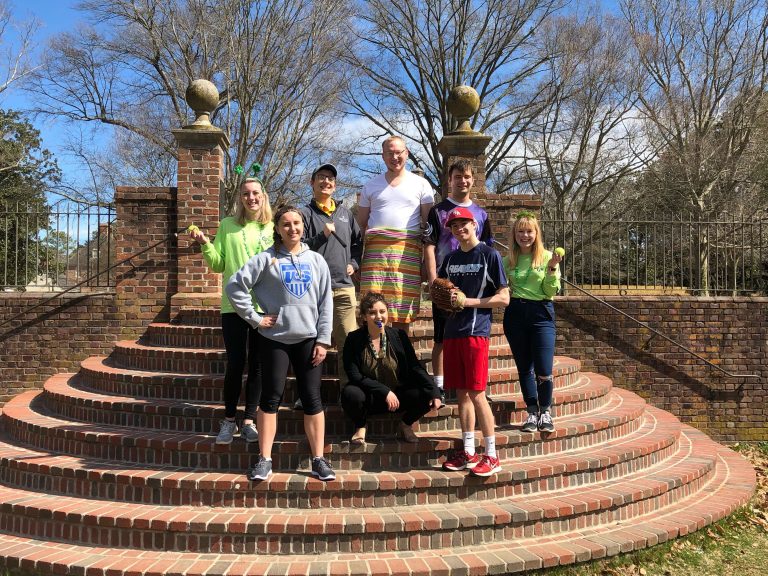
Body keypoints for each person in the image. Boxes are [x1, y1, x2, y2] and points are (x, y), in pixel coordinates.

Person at [226, 205, 335, 482]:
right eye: (285, 224)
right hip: (274, 340)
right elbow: (235, 286)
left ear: (303, 226)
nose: (292, 228)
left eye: (297, 223)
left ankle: (318, 459)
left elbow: (326, 302)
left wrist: (323, 339)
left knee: (312, 399)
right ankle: (264, 459)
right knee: (270, 399)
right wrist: (254, 318)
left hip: (308, 339)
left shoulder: (316, 261)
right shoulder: (266, 259)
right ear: (277, 229)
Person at [189, 176, 273, 445]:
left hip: (264, 307)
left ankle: (249, 421)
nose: (251, 198)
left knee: (258, 367)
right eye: (246, 193)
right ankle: (228, 421)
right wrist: (205, 242)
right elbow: (218, 264)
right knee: (236, 364)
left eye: (255, 193)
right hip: (233, 307)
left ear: (263, 196)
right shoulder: (227, 225)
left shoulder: (272, 227)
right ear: (240, 198)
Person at [438, 206, 509, 477]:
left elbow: (504, 297)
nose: (459, 229)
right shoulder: (451, 258)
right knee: (461, 393)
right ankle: (468, 450)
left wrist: (469, 301)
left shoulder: (489, 255)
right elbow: (444, 293)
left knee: (477, 392)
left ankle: (491, 454)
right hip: (453, 331)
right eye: (454, 226)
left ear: (474, 225)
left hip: (476, 330)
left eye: (464, 224)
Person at [424, 159, 493, 400]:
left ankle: (478, 386)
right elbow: (430, 246)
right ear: (449, 181)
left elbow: (488, 248)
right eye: (457, 177)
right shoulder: (438, 211)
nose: (462, 181)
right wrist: (434, 281)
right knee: (442, 338)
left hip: (475, 284)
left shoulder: (481, 214)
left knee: (477, 337)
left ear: (473, 180)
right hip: (447, 284)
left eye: (466, 177)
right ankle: (440, 386)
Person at [341, 292, 442, 445]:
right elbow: (354, 375)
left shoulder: (398, 336)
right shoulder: (354, 339)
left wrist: (435, 391)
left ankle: (406, 424)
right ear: (364, 317)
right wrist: (384, 391)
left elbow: (415, 367)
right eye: (372, 313)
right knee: (350, 393)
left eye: (382, 311)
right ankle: (360, 426)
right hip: (370, 397)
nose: (378, 317)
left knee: (425, 393)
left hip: (398, 395)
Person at [357, 135, 434, 331]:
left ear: (406, 154)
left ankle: (399, 360)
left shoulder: (422, 185)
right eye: (389, 153)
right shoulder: (370, 186)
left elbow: (428, 228)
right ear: (383, 156)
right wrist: (355, 261)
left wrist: (426, 263)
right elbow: (359, 226)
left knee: (401, 314)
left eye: (398, 152)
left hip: (407, 256)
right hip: (375, 258)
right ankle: (373, 360)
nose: (395, 157)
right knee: (373, 310)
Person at [300, 163, 362, 392]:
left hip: (344, 288)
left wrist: (354, 263)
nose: (326, 182)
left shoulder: (345, 214)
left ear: (335, 186)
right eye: (321, 178)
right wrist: (322, 236)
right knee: (310, 342)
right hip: (313, 289)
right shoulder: (304, 214)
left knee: (349, 342)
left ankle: (349, 392)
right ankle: (307, 393)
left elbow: (358, 243)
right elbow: (298, 246)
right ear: (312, 182)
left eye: (330, 179)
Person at [501, 211, 562, 433]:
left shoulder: (547, 257)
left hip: (541, 313)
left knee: (544, 369)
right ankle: (532, 411)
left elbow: (550, 291)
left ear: (536, 233)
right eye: (520, 231)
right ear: (514, 234)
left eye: (529, 231)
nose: (525, 235)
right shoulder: (508, 260)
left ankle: (545, 410)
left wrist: (553, 268)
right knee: (524, 368)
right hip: (515, 314)